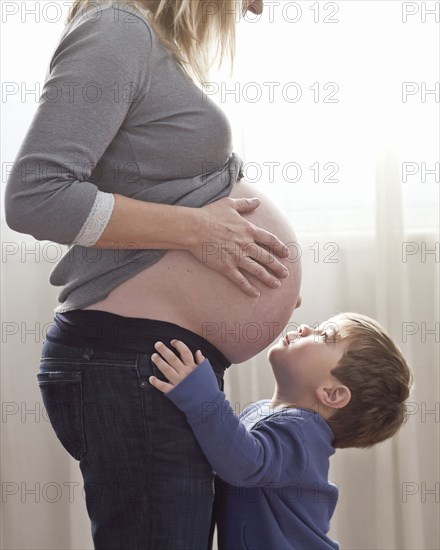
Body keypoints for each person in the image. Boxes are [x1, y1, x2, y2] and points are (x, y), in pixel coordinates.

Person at [4, 0, 302, 548]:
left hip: (154, 363)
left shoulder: (141, 37)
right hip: (128, 364)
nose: (255, 8)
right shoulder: (116, 29)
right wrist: (200, 233)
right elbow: (35, 198)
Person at [149, 312, 413, 550]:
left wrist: (201, 397)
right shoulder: (274, 417)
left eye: (324, 335)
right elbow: (227, 445)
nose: (306, 328)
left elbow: (244, 463)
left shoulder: (301, 431)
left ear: (332, 394)